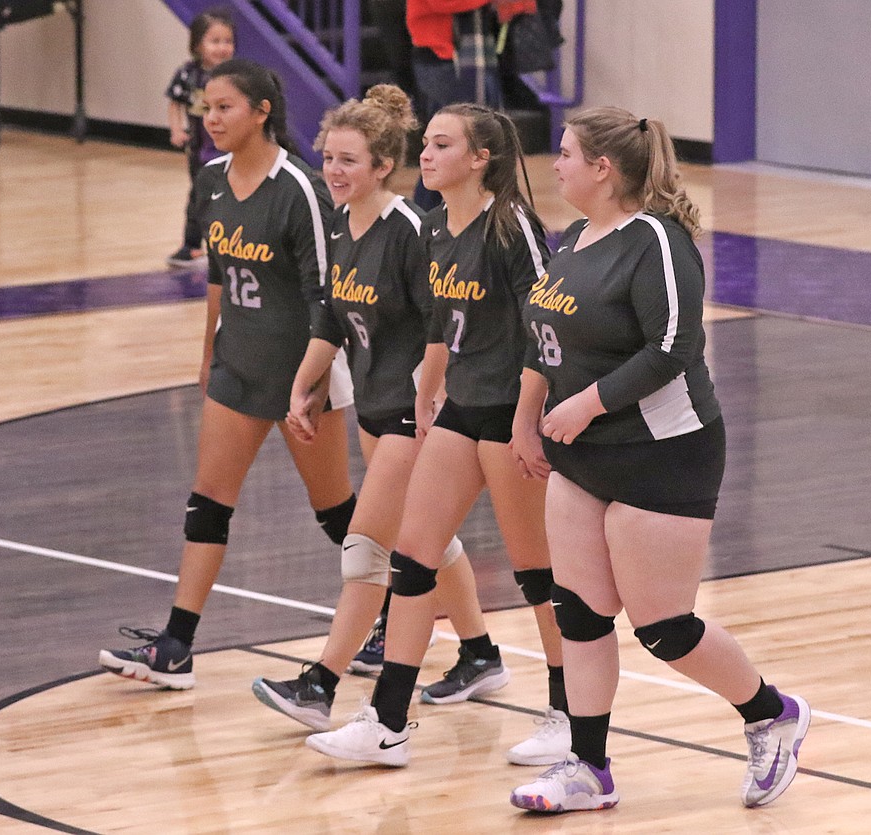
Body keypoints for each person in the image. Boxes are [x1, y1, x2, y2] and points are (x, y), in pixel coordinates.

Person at [508, 107, 810, 813]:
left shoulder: (658, 242)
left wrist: (586, 404)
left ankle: (773, 713)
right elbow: (542, 335)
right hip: (581, 456)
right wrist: (527, 418)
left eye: (566, 154)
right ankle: (588, 766)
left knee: (663, 627)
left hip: (663, 452)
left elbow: (673, 346)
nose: (556, 166)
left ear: (603, 168)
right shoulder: (578, 237)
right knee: (578, 612)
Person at [304, 103, 569, 768]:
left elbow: (550, 323)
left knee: (538, 573)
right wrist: (430, 384)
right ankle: (387, 721)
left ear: (480, 158)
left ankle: (568, 711)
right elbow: (445, 324)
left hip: (512, 410)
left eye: (442, 144)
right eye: (425, 143)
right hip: (461, 405)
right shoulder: (435, 230)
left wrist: (529, 418)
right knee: (413, 556)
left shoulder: (510, 225)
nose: (426, 153)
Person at [251, 85, 513, 732]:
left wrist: (434, 395)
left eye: (348, 160)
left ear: (381, 167)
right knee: (424, 540)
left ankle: (321, 682)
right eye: (328, 159)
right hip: (373, 406)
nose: (334, 172)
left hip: (414, 413)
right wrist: (304, 385)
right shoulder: (340, 224)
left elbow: (442, 321)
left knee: (369, 548)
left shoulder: (410, 232)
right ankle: (480, 653)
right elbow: (331, 316)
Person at [99, 59, 357, 689]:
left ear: (262, 111)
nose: (210, 120)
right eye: (206, 109)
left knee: (341, 516)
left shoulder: (299, 188)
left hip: (303, 376)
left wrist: (313, 386)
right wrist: (208, 353)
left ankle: (397, 615)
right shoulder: (212, 179)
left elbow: (330, 296)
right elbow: (217, 276)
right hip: (238, 368)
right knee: (207, 505)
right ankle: (176, 648)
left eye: (224, 108)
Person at [406, 0, 501, 210]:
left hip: (460, 59)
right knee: (443, 142)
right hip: (440, 58)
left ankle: (459, 210)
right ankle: (424, 213)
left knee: (467, 140)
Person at [164, 8, 236, 268]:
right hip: (199, 150)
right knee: (198, 197)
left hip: (229, 151)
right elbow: (175, 102)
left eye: (228, 41)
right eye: (215, 41)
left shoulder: (235, 77)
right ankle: (192, 245)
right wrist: (176, 129)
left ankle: (230, 247)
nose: (222, 48)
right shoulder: (188, 74)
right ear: (197, 44)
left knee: (232, 199)